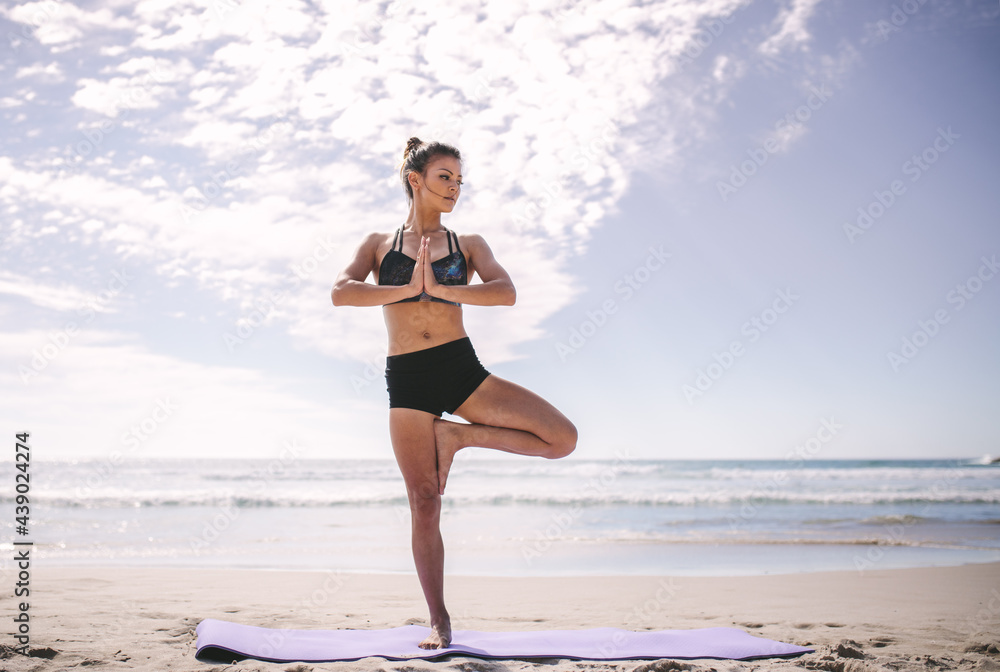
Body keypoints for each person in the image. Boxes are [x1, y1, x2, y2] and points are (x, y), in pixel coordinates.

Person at [331, 137, 577, 649]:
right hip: (408, 378)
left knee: (562, 438)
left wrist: (443, 289)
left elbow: (505, 291)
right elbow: (341, 291)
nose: (455, 188)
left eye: (460, 180)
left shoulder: (469, 244)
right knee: (424, 501)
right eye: (446, 177)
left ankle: (458, 439)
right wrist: (404, 289)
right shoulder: (379, 244)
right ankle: (439, 620)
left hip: (459, 367)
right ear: (415, 179)